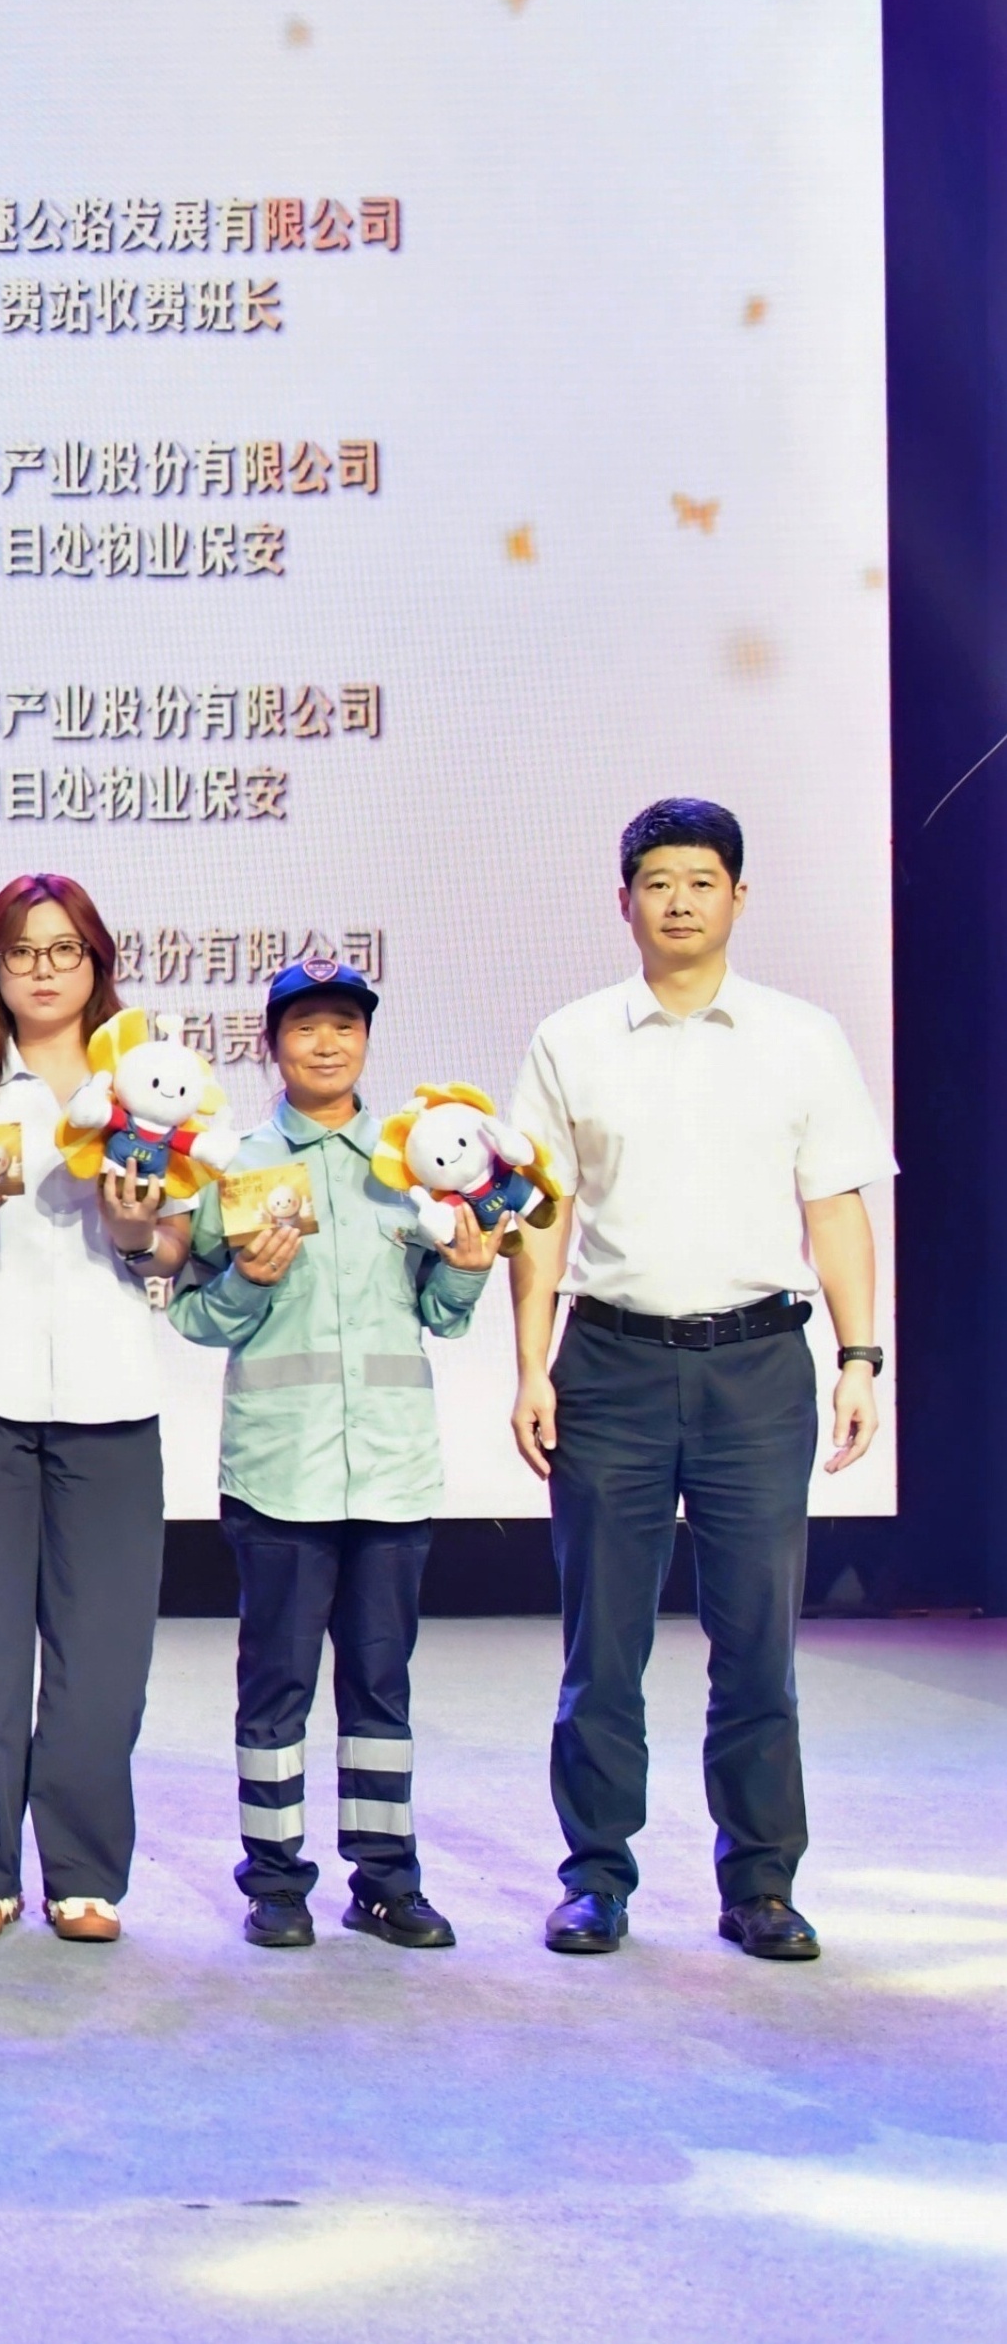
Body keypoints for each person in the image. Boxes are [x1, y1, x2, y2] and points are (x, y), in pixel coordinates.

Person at [505, 799, 890, 1962]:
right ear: (624, 901)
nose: (679, 901)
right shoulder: (572, 1037)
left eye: (702, 881)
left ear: (738, 897)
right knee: (602, 1645)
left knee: (757, 1641)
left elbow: (836, 1207)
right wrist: (529, 1365)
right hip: (612, 1364)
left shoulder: (801, 1037)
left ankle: (761, 1883)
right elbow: (542, 1214)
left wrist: (860, 1357)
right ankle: (595, 1876)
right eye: (658, 882)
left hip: (758, 1368)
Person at [165, 957, 492, 1951]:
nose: (326, 1042)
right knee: (276, 1687)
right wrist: (251, 1284)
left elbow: (441, 1313)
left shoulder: (411, 1164)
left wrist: (468, 1273)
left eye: (344, 1025)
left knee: (381, 1686)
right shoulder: (236, 1164)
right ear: (270, 1044)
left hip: (391, 1470)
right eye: (305, 1025)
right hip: (280, 1470)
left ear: (365, 1040)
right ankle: (274, 1882)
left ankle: (385, 1881)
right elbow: (194, 1315)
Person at [0, 872, 188, 1944]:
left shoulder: (153, 1085)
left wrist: (136, 1230)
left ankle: (85, 1870)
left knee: (102, 1657)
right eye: (22, 951)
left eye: (64, 949)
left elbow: (176, 1244)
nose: (44, 969)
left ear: (97, 962)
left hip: (111, 1399)